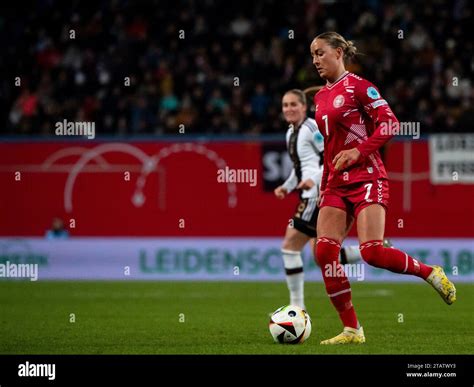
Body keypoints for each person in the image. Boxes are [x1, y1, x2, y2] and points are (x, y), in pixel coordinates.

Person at [309, 32, 456, 345]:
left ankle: (429, 272)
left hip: (367, 177)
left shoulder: (361, 87)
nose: (315, 61)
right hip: (335, 183)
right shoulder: (320, 98)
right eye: (312, 56)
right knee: (323, 251)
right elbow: (329, 149)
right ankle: (352, 330)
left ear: (338, 52)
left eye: (320, 53)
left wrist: (358, 151)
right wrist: (325, 187)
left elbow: (390, 124)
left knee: (372, 252)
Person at [274, 89, 365, 311]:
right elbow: (299, 168)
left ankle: (297, 308)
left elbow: (332, 158)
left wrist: (314, 180)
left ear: (304, 107)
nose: (289, 109)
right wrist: (286, 187)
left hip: (317, 195)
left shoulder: (311, 128)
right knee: (321, 255)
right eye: (285, 105)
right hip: (309, 193)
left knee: (289, 247)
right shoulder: (291, 133)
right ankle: (371, 250)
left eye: (294, 104)